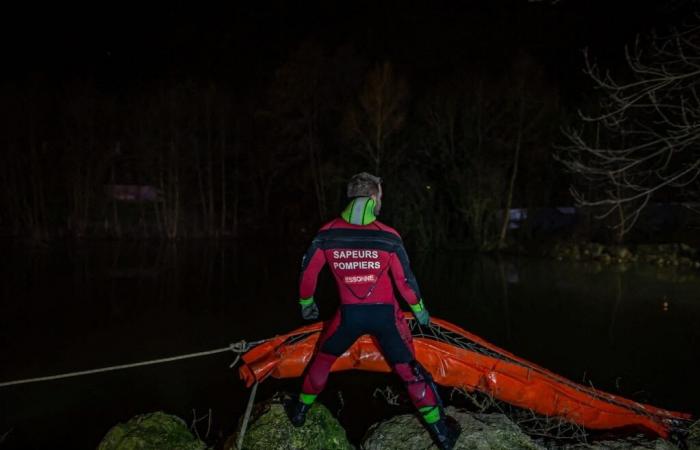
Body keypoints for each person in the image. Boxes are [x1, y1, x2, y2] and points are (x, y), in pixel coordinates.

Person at [285, 172, 461, 450]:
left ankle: (299, 411)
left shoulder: (327, 233)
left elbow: (308, 275)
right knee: (408, 372)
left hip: (349, 317)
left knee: (322, 361)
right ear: (372, 197)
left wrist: (307, 304)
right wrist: (420, 310)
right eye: (380, 195)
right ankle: (442, 434)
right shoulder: (388, 237)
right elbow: (405, 282)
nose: (382, 200)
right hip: (385, 319)